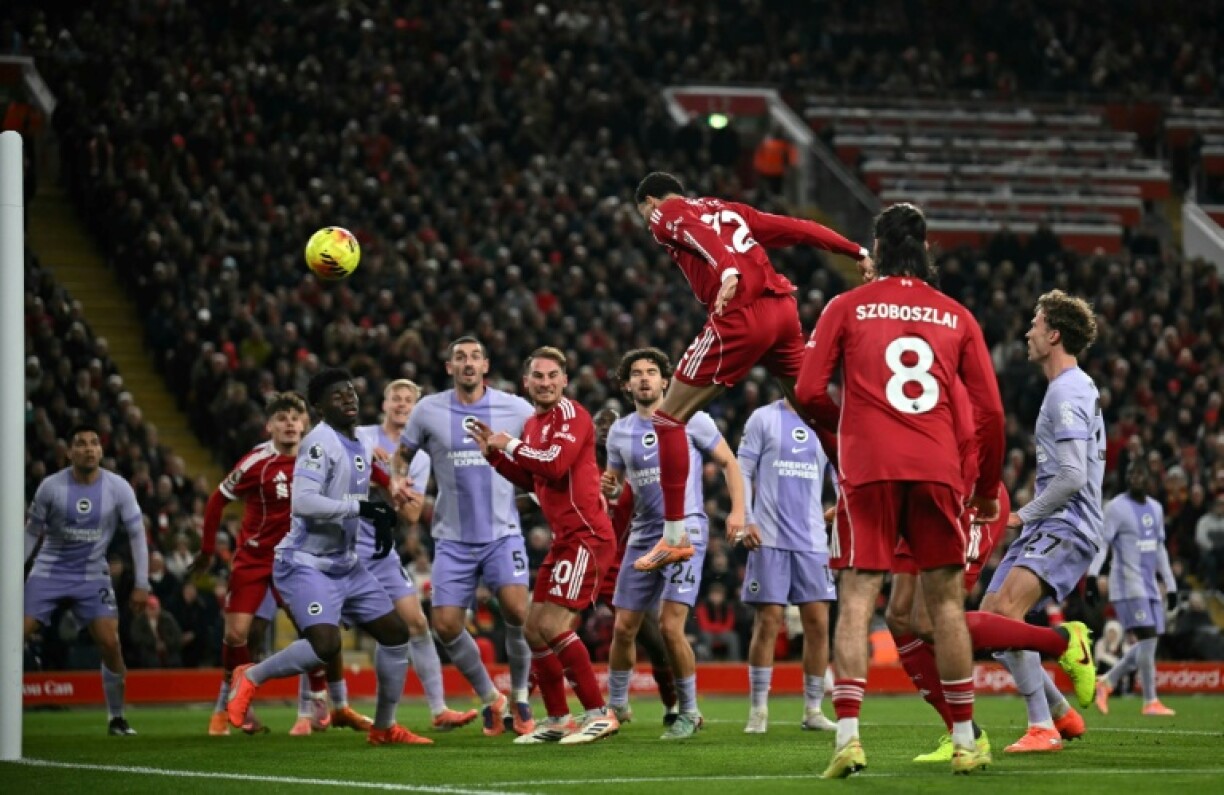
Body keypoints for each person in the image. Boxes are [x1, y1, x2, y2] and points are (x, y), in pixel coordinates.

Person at [795, 203, 1005, 777]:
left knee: (859, 594)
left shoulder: (846, 306)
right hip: (937, 467)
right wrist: (985, 487)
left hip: (869, 468)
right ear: (926, 249)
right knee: (946, 604)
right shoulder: (956, 315)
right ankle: (965, 740)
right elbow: (990, 413)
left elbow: (809, 388)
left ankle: (847, 738)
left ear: (878, 249)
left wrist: (847, 435)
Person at [631, 171, 871, 572]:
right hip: (782, 309)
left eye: (645, 215)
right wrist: (855, 250)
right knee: (813, 405)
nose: (650, 223)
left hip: (740, 316)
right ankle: (859, 491)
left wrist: (727, 272)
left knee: (667, 418)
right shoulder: (728, 210)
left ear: (650, 204)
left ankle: (674, 538)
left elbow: (696, 236)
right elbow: (795, 228)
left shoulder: (665, 212)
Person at [226, 369, 430, 747]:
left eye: (351, 392)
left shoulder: (359, 442)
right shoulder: (319, 442)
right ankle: (250, 677)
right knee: (325, 644)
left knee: (396, 633)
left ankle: (384, 728)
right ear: (319, 407)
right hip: (304, 561)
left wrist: (381, 520)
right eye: (337, 396)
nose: (349, 399)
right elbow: (303, 502)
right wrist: (361, 509)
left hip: (345, 563)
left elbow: (371, 491)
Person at [967, 289, 1103, 753]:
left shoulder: (1065, 392)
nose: (1027, 332)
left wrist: (1021, 514)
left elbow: (1072, 475)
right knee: (992, 621)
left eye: (1035, 324)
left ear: (1054, 334)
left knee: (1005, 614)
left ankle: (1044, 718)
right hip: (1051, 525)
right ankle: (1062, 714)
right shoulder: (1070, 387)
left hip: (1067, 524)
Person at [470, 347, 619, 745]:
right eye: (538, 376)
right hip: (565, 538)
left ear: (565, 380)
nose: (546, 382)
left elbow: (554, 463)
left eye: (553, 375)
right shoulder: (534, 424)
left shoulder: (573, 416)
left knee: (552, 626)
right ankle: (557, 718)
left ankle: (599, 713)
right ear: (527, 383)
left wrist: (508, 444)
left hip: (587, 535)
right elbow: (535, 478)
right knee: (533, 630)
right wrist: (495, 457)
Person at [198, 392, 370, 737]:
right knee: (237, 634)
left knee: (316, 631)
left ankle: (313, 709)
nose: (289, 423)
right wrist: (206, 549)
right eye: (281, 418)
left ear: (305, 422)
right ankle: (226, 708)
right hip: (256, 558)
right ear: (269, 426)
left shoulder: (322, 455)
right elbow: (217, 500)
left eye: (295, 417)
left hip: (300, 559)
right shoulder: (256, 462)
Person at [601, 348, 743, 740]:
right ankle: (615, 707)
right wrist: (609, 487)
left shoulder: (691, 418)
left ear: (666, 381)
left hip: (687, 531)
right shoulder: (619, 431)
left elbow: (730, 463)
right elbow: (614, 486)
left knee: (669, 625)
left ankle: (690, 711)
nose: (644, 378)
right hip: (643, 533)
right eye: (636, 373)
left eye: (651, 372)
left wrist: (737, 513)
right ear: (626, 384)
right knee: (624, 626)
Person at [398, 337, 535, 736]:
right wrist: (395, 479)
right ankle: (493, 697)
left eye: (475, 357)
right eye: (460, 357)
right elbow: (402, 455)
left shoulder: (515, 407)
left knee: (517, 610)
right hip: (452, 539)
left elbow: (544, 443)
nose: (468, 363)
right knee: (445, 624)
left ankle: (522, 697)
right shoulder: (428, 410)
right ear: (449, 367)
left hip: (503, 532)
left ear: (486, 366)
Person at [357, 379, 479, 732]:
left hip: (379, 550)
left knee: (417, 624)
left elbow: (410, 516)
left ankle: (439, 709)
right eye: (395, 397)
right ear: (384, 403)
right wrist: (368, 464)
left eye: (409, 400)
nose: (401, 404)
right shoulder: (361, 438)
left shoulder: (420, 456)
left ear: (417, 409)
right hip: (340, 545)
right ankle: (311, 711)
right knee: (322, 632)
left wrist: (385, 476)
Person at [24, 423, 148, 735]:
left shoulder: (117, 487)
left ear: (101, 451)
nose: (89, 448)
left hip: (92, 574)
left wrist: (142, 583)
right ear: (69, 452)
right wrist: (11, 573)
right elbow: (30, 535)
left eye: (94, 443)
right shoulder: (51, 487)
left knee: (110, 643)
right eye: (80, 443)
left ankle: (117, 718)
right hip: (49, 572)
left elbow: (137, 534)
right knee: (13, 637)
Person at [735, 398, 837, 734]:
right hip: (769, 538)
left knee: (818, 623)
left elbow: (842, 472)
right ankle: (758, 711)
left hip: (811, 541)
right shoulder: (763, 418)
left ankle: (812, 710)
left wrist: (843, 505)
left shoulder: (826, 417)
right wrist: (746, 518)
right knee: (768, 621)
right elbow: (742, 470)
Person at [593, 407, 680, 726]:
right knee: (553, 627)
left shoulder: (634, 474)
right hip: (587, 565)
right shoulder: (580, 469)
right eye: (599, 424)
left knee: (651, 639)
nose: (604, 429)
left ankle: (671, 706)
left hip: (622, 565)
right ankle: (522, 703)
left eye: (610, 423)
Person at [1092, 462, 1178, 716]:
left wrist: (1171, 585)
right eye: (1131, 474)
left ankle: (1106, 681)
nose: (1135, 478)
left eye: (1140, 473)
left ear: (1149, 478)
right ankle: (1150, 701)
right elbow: (1104, 544)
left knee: (1149, 643)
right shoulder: (1116, 507)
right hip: (1127, 585)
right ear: (1126, 478)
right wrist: (1093, 575)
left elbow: (1159, 549)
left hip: (1150, 586)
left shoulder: (1156, 508)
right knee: (1147, 639)